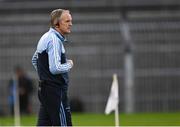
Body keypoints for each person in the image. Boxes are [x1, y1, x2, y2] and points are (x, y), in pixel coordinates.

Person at [32, 9, 73, 126]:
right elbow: (55, 68)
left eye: (71, 21)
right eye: (67, 21)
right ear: (56, 23)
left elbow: (34, 60)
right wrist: (69, 64)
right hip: (55, 91)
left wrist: (45, 77)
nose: (70, 24)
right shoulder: (54, 40)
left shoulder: (46, 36)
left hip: (45, 90)